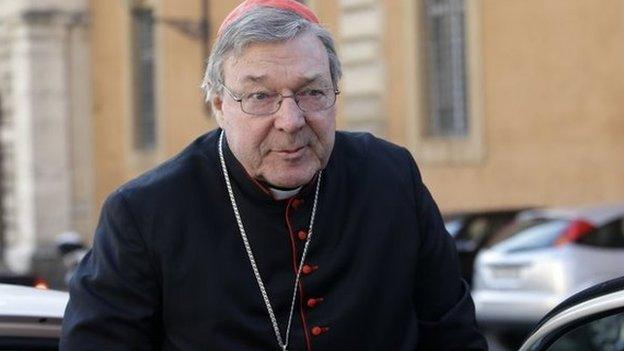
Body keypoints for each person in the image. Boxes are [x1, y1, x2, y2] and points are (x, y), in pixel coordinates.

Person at [60, 0, 488, 350]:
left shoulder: (392, 178)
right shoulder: (144, 213)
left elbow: (453, 335)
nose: (291, 120)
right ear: (219, 106)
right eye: (261, 96)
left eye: (312, 92)